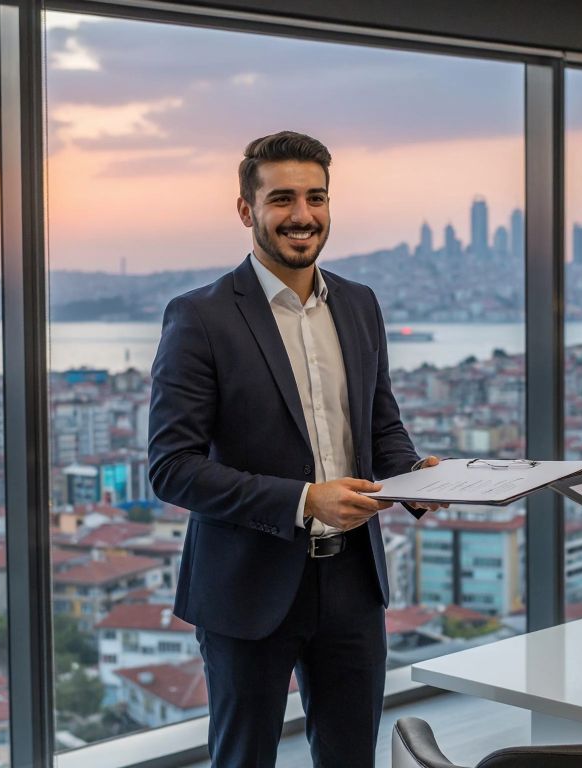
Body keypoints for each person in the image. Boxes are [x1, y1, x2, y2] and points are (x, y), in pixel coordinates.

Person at [148, 130, 440, 767]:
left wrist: (416, 478)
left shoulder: (360, 305)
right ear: (246, 210)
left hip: (353, 583)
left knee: (350, 759)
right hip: (246, 585)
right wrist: (305, 500)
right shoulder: (200, 317)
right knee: (244, 759)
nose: (303, 215)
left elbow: (378, 426)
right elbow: (172, 469)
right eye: (282, 199)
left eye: (316, 197)